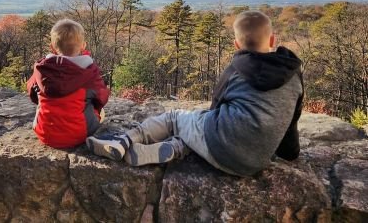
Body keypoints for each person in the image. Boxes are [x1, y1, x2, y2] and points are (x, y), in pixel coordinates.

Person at [86, 10, 303, 176]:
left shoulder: (236, 70)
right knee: (196, 129)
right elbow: (291, 120)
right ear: (273, 40)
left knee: (176, 118)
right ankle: (175, 147)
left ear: (236, 44)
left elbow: (214, 108)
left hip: (220, 146)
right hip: (253, 163)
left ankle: (123, 141)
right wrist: (290, 153)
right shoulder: (293, 74)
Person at [27, 18, 109, 149]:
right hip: (79, 135)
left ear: (52, 47)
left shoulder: (42, 69)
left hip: (44, 132)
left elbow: (31, 93)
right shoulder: (88, 72)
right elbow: (102, 98)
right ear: (83, 46)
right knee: (100, 110)